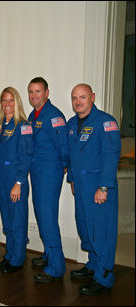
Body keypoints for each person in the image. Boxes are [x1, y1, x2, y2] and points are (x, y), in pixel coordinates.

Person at [67, 83, 121, 295]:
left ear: (93, 97)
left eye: (82, 97)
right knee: (86, 227)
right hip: (80, 187)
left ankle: (104, 275)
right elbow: (72, 156)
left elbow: (111, 155)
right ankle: (93, 264)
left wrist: (104, 187)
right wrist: (71, 179)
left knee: (102, 231)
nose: (78, 102)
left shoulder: (106, 122)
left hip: (99, 187)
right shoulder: (72, 124)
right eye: (74, 98)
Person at [27, 77, 69, 283]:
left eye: (38, 91)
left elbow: (64, 146)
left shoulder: (54, 116)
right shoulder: (33, 116)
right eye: (31, 92)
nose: (34, 96)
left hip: (49, 173)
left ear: (46, 93)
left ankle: (56, 266)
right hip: (36, 172)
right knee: (42, 215)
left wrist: (62, 167)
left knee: (48, 218)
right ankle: (49, 254)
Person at [0, 87, 33, 274]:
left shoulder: (23, 125)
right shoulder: (1, 126)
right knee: (8, 220)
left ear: (16, 103)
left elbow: (26, 157)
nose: (7, 104)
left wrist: (18, 183)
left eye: (11, 100)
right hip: (3, 179)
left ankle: (17, 259)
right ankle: (9, 255)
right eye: (4, 100)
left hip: (17, 181)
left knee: (17, 221)